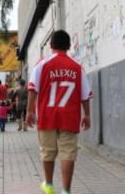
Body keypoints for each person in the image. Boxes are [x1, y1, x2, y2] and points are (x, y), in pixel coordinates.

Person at [26, 30, 93, 194]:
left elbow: (32, 90)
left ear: (51, 45)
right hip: (70, 117)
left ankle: (49, 186)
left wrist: (29, 111)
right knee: (68, 153)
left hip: (47, 116)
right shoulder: (77, 68)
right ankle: (66, 190)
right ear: (69, 46)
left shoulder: (42, 64)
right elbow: (85, 95)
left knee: (47, 152)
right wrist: (87, 115)